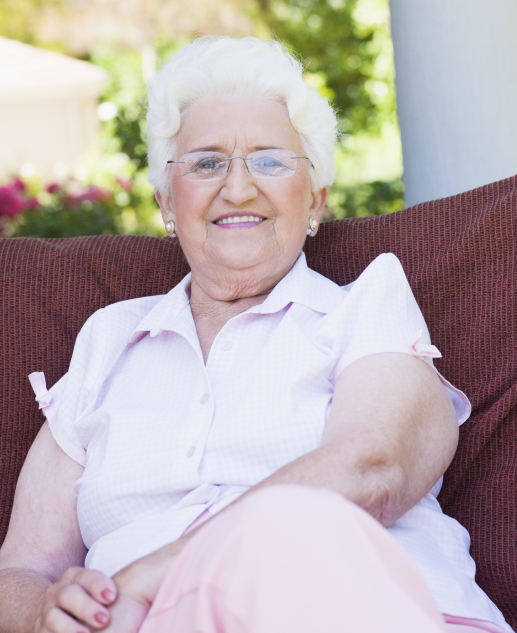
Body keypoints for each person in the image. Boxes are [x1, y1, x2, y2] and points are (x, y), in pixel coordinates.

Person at [0, 36, 512, 633]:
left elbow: (370, 469)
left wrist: (146, 578)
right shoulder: (108, 339)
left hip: (356, 611)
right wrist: (47, 611)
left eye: (269, 160)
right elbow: (22, 566)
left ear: (315, 200)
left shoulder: (366, 306)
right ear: (167, 201)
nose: (238, 187)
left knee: (283, 535)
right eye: (206, 162)